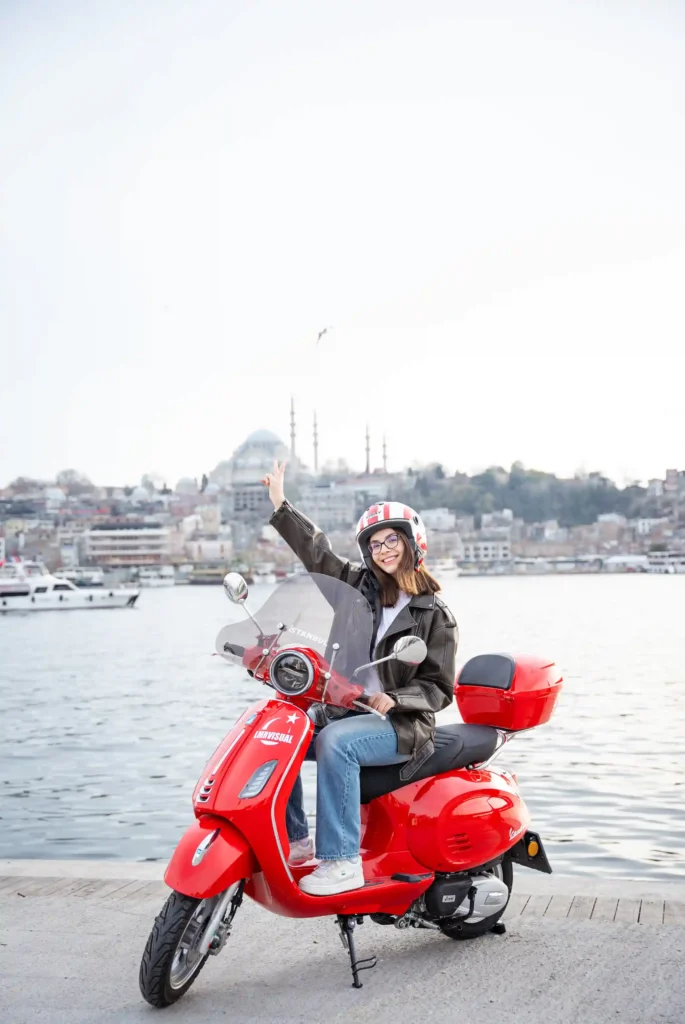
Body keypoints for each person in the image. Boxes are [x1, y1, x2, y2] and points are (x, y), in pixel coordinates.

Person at [262, 461, 458, 896]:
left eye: (392, 540)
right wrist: (281, 504)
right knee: (281, 728)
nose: (383, 550)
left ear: (411, 543)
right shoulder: (357, 588)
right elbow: (317, 553)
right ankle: (296, 840)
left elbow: (440, 689)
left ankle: (341, 861)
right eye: (374, 544)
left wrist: (397, 698)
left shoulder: (435, 615)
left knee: (336, 742)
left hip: (401, 726)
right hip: (347, 708)